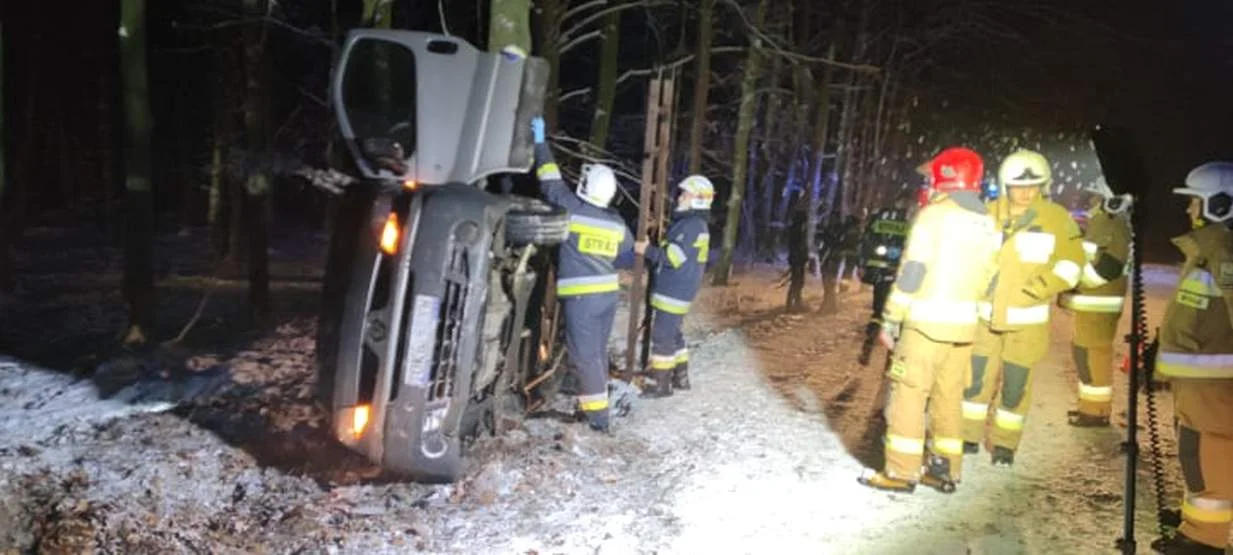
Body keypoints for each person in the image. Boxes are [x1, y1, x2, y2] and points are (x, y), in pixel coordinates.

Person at [857, 147, 1000, 493]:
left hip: (925, 326)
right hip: (963, 330)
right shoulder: (989, 223)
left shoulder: (934, 216)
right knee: (948, 397)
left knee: (908, 394)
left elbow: (912, 272)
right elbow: (992, 279)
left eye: (931, 177)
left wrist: (891, 318)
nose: (928, 183)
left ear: (945, 177)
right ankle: (945, 468)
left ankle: (901, 471)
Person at [961, 149, 1086, 466]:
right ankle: (967, 436)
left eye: (1034, 185)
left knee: (1015, 388)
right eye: (1019, 186)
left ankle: (1005, 444)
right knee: (974, 382)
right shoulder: (987, 214)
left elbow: (1072, 264)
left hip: (1026, 324)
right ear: (1006, 185)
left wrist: (1038, 289)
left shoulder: (1057, 219)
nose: (1027, 192)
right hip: (983, 320)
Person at [530, 116, 639, 432]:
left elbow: (549, 180)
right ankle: (594, 404)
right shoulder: (616, 222)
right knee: (596, 353)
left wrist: (540, 142)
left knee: (584, 356)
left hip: (582, 298)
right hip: (607, 296)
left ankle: (597, 420)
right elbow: (625, 256)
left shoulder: (573, 211)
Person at [1148, 162, 1233, 555]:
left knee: (1208, 459)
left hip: (1213, 386)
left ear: (1219, 205)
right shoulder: (1209, 250)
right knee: (1198, 455)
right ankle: (1196, 526)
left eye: (1194, 203)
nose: (1188, 211)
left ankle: (1204, 539)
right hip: (1199, 385)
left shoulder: (1224, 253)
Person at [1058, 177, 1133, 427]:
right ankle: (1088, 406)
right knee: (1084, 354)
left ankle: (1096, 412)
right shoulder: (1104, 222)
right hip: (1093, 303)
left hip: (1100, 302)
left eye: (1096, 197)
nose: (1091, 201)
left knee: (1093, 357)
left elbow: (1109, 266)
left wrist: (1078, 283)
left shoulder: (1112, 224)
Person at [639, 175, 714, 397]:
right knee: (674, 333)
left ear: (698, 199)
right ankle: (681, 377)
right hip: (680, 289)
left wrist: (647, 251)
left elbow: (674, 257)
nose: (680, 197)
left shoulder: (691, 225)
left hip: (674, 290)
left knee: (662, 336)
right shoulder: (695, 224)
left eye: (686, 194)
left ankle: (662, 386)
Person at [856, 191, 913, 365]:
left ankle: (869, 348)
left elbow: (866, 241)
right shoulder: (910, 223)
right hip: (899, 275)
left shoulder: (882, 218)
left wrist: (863, 264)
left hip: (885, 273)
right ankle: (890, 356)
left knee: (879, 311)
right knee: (893, 316)